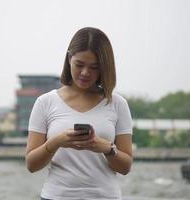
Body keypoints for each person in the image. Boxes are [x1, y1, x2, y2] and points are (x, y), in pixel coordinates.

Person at [25, 27, 133, 200]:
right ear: (69, 59)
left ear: (104, 68)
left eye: (94, 67)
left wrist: (107, 148)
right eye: (79, 64)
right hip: (56, 196)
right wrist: (57, 142)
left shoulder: (118, 104)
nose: (85, 73)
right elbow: (31, 164)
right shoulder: (45, 102)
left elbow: (126, 167)